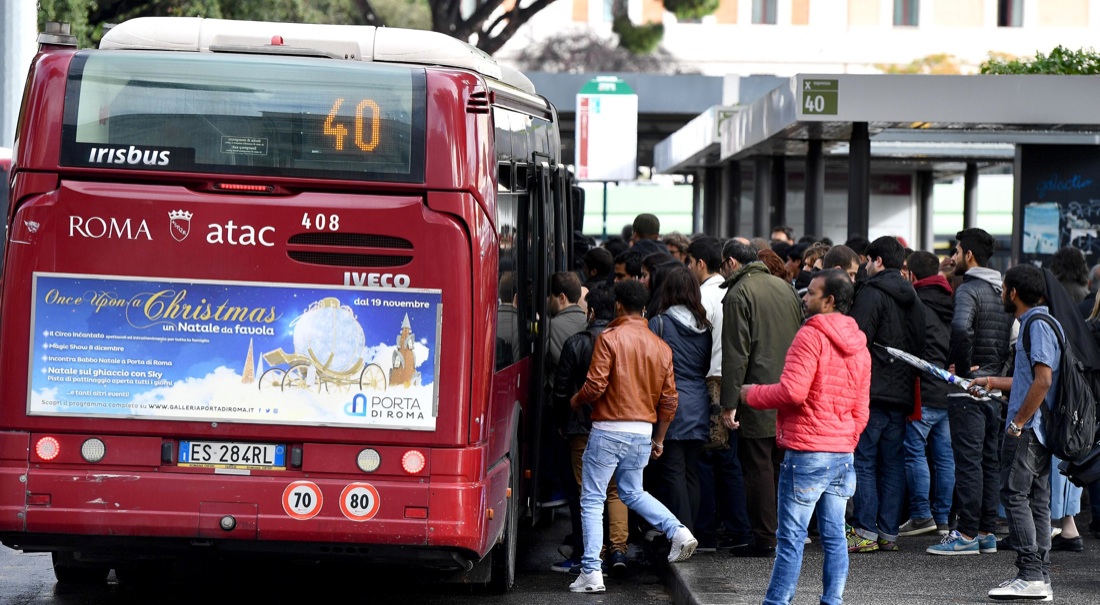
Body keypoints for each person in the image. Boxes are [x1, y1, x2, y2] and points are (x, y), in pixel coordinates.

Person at [742, 268, 871, 605]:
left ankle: (777, 601)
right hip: (842, 452)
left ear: (828, 301)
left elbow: (793, 392)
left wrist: (750, 394)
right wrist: (848, 438)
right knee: (834, 537)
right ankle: (832, 600)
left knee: (791, 539)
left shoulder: (810, 336)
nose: (805, 296)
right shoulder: (859, 344)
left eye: (812, 293)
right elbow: (861, 407)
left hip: (807, 451)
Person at [569, 280, 698, 593]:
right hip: (643, 431)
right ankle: (678, 531)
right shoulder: (660, 346)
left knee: (592, 499)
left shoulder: (610, 338)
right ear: (644, 309)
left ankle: (591, 572)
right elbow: (669, 400)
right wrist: (660, 439)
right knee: (631, 492)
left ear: (617, 306)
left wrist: (576, 400)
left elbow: (596, 386)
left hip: (608, 429)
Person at [968, 264, 1058, 601]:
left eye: (1003, 288)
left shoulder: (1035, 323)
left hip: (1030, 429)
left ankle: (1031, 573)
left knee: (1016, 494)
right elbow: (1030, 378)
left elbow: (1044, 380)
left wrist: (1018, 422)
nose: (1001, 293)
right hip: (1040, 428)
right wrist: (990, 382)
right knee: (1036, 499)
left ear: (1013, 292)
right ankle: (1039, 575)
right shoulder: (1043, 322)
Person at [929, 228, 1013, 556]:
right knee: (989, 460)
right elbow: (1011, 340)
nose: (952, 256)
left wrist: (960, 371)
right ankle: (985, 531)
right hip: (995, 387)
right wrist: (998, 372)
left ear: (970, 256)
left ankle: (965, 535)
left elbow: (961, 328)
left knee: (967, 462)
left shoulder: (968, 290)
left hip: (968, 391)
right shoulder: (1000, 290)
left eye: (957, 250)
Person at [720, 239, 804, 557]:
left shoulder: (739, 293)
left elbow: (736, 354)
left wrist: (729, 404)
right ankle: (786, 532)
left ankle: (765, 537)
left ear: (730, 262)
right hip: (789, 390)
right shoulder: (785, 288)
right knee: (782, 465)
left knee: (757, 466)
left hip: (755, 393)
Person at [847, 236, 925, 553]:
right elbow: (920, 346)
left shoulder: (871, 293)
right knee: (892, 463)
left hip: (873, 390)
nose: (865, 265)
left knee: (865, 460)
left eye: (868, 260)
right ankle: (887, 533)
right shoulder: (914, 299)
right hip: (903, 392)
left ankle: (864, 530)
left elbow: (856, 341)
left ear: (878, 261)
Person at [550, 285, 629, 574]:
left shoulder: (577, 342)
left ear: (591, 311)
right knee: (615, 490)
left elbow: (561, 391)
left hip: (583, 427)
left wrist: (562, 422)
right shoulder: (626, 341)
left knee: (587, 493)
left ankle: (590, 555)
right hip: (622, 424)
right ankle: (618, 550)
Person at [686, 236, 753, 552]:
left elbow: (695, 343)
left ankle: (711, 532)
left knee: (711, 458)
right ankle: (738, 529)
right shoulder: (735, 291)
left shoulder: (705, 295)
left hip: (713, 382)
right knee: (729, 459)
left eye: (689, 262)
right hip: (739, 381)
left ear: (700, 263)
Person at [648, 266, 712, 533]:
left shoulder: (660, 323)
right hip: (699, 400)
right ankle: (690, 531)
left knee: (672, 471)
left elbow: (651, 366)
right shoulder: (705, 327)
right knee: (691, 472)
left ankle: (682, 534)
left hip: (671, 402)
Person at [898, 251, 955, 538]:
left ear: (912, 274)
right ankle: (943, 518)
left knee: (914, 452)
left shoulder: (916, 302)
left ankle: (921, 515)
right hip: (949, 387)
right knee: (945, 456)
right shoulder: (954, 298)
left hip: (923, 388)